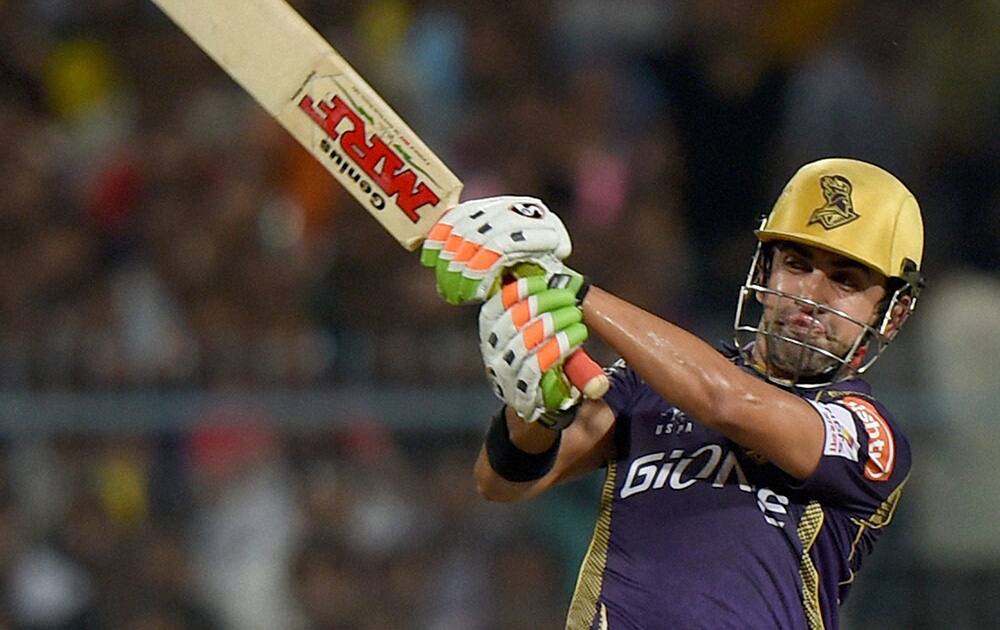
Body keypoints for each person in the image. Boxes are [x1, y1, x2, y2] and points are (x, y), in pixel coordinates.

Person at [420, 158, 924, 629]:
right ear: (765, 272)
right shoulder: (648, 382)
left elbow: (728, 402)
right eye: (796, 263)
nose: (809, 296)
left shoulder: (869, 435)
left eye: (844, 280)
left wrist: (569, 289)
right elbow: (502, 482)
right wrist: (533, 408)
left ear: (890, 314)